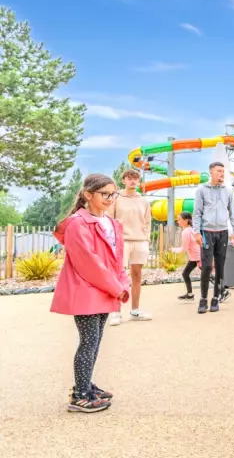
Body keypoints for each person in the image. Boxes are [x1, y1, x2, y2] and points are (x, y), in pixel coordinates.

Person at [50, 173, 130, 413]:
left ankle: (85, 385)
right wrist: (116, 287)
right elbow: (88, 262)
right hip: (87, 289)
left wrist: (122, 281)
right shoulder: (77, 223)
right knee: (88, 341)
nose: (110, 198)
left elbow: (116, 258)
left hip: (104, 289)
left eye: (113, 194)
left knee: (95, 341)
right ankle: (80, 395)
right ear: (88, 195)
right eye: (104, 193)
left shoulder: (111, 223)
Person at [192, 161, 234, 314]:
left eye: (223, 171)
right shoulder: (201, 190)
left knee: (220, 266)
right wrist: (196, 232)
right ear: (211, 172)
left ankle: (215, 298)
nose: (222, 174)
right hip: (206, 232)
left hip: (223, 233)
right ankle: (203, 299)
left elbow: (233, 213)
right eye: (219, 171)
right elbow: (197, 213)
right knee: (206, 267)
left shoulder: (228, 192)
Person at [106, 169, 152, 325]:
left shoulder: (143, 200)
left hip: (140, 241)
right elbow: (110, 219)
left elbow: (147, 221)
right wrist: (113, 240)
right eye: (129, 178)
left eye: (135, 178)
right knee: (119, 276)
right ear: (123, 181)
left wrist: (146, 239)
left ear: (138, 181)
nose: (133, 181)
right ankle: (116, 312)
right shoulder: (116, 198)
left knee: (137, 275)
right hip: (122, 241)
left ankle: (135, 310)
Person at [172, 211, 201, 301]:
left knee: (207, 275)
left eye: (179, 219)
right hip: (197, 256)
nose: (178, 221)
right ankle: (190, 294)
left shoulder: (186, 232)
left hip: (197, 257)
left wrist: (174, 250)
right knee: (185, 273)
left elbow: (184, 248)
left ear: (186, 220)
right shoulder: (191, 229)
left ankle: (222, 291)